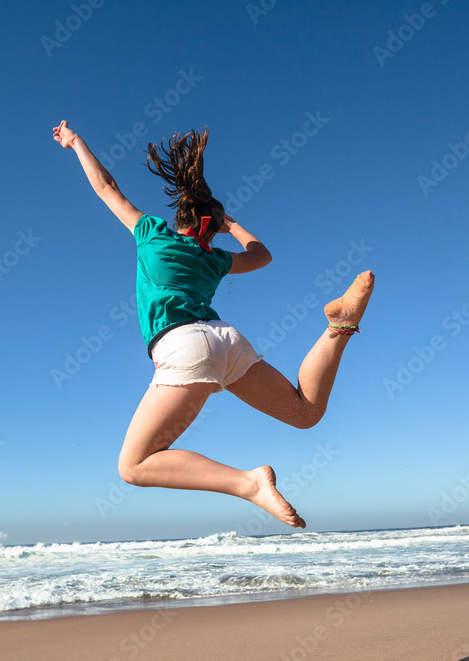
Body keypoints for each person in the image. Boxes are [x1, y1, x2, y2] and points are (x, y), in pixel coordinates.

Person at [53, 120, 374, 528]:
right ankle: (339, 329)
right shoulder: (214, 259)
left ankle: (248, 484)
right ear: (210, 228)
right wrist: (232, 225)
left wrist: (76, 142)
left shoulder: (152, 235)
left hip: (184, 345)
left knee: (134, 466)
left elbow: (106, 188)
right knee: (305, 412)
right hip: (225, 341)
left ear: (180, 218)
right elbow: (262, 257)